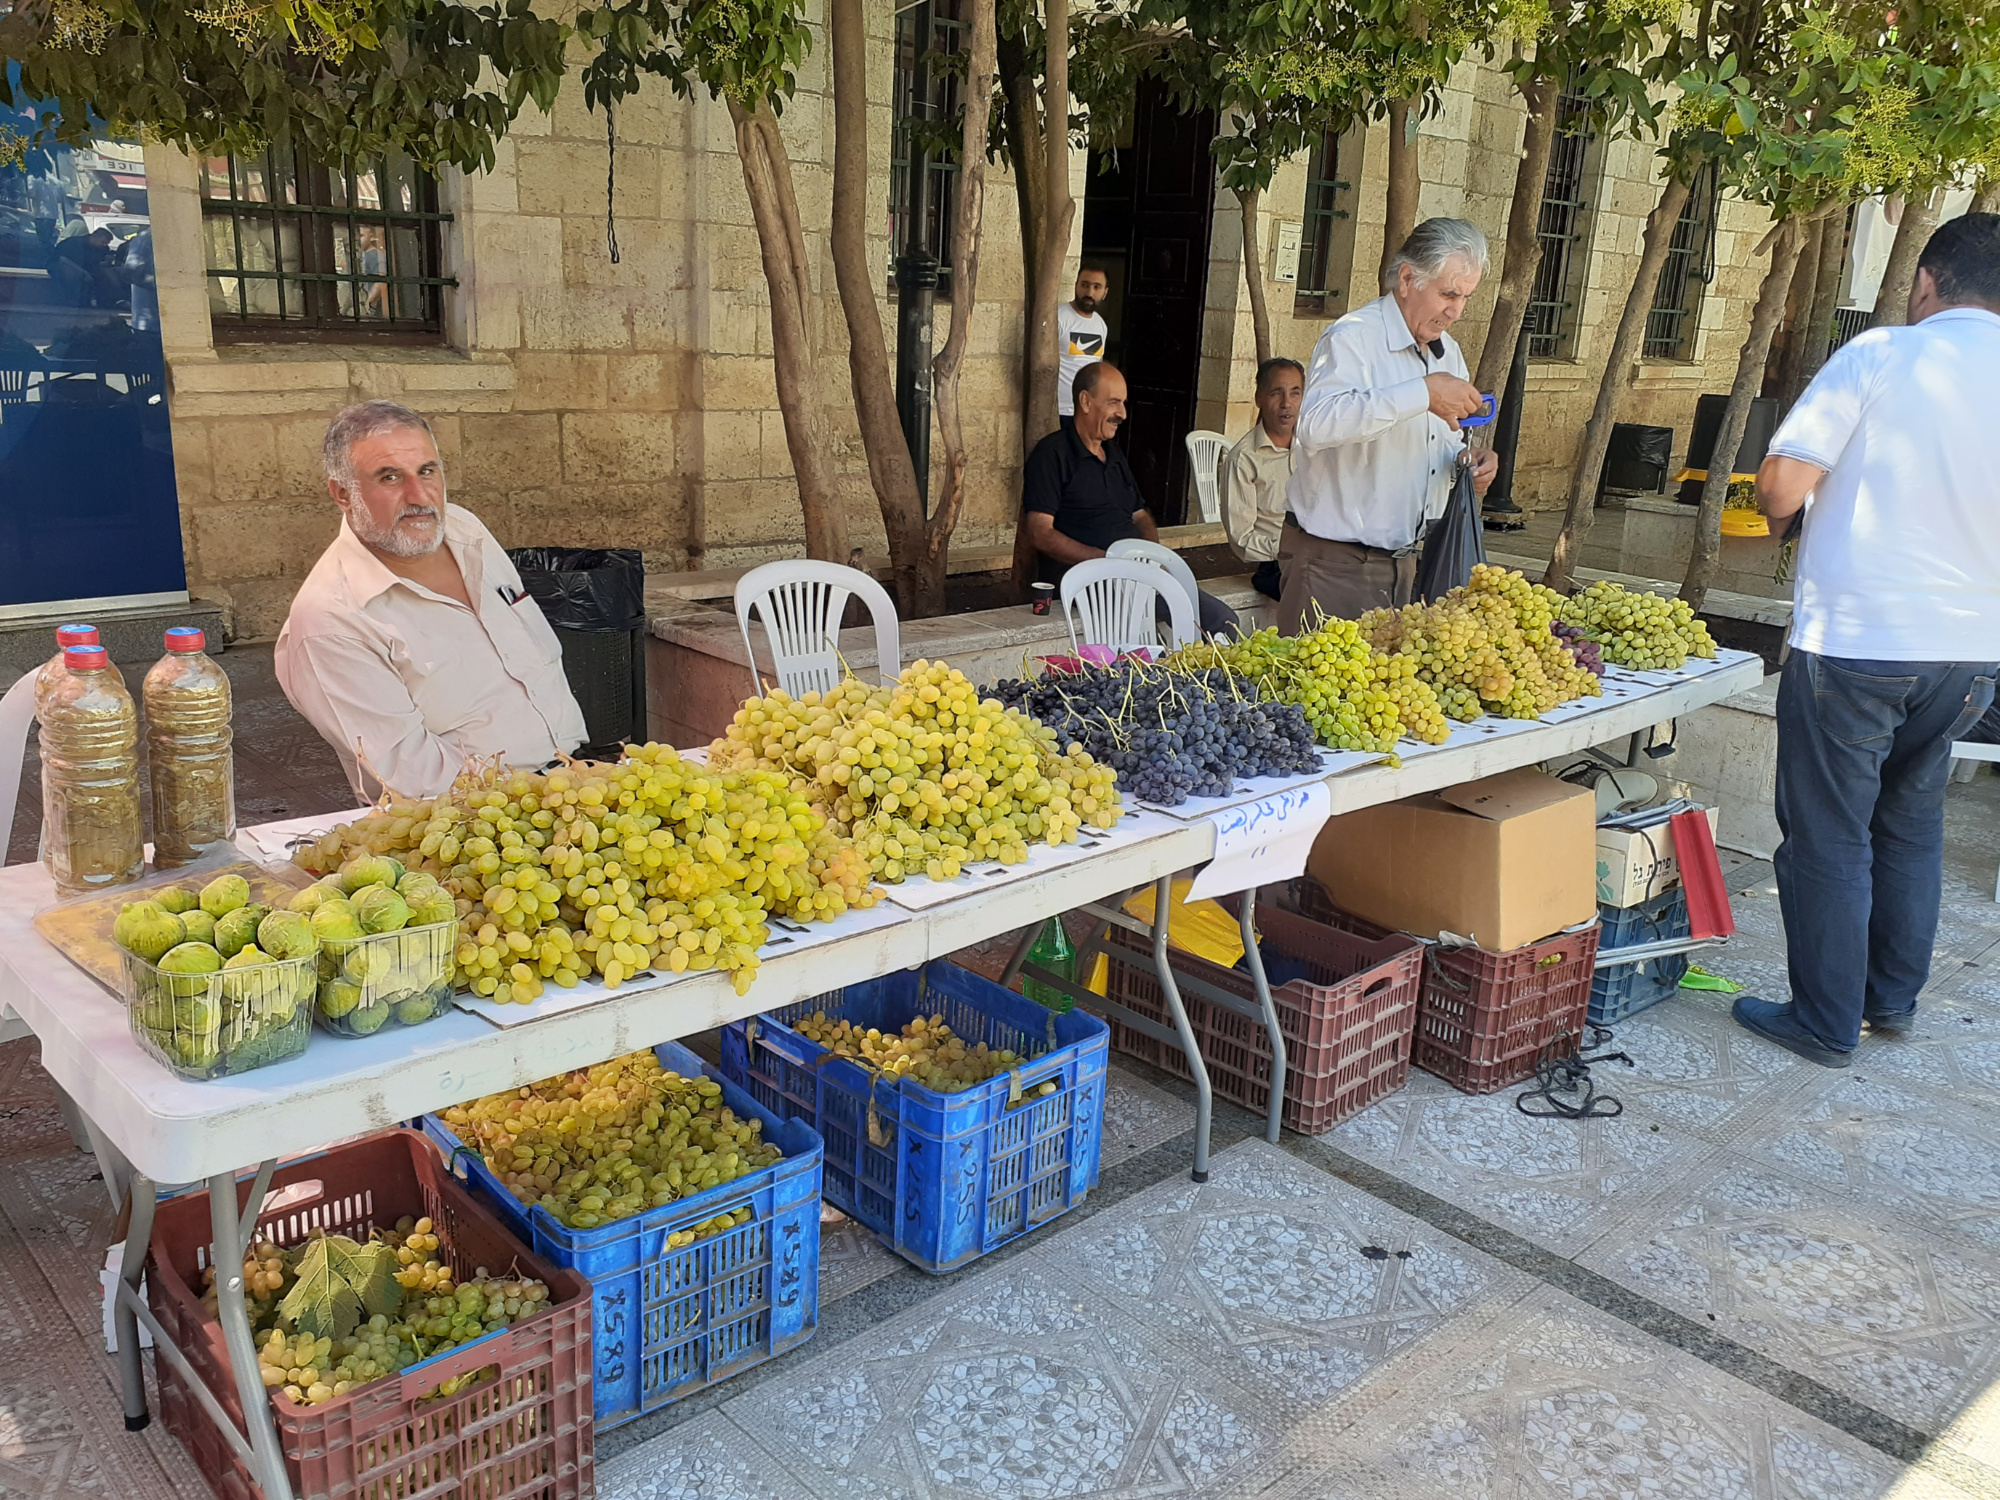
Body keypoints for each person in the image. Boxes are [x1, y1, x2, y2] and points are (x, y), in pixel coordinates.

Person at [1732, 212, 2000, 1069]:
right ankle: (1891, 1002)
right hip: (1969, 651)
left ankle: (1822, 1019)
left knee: (1828, 829)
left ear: (1927, 281)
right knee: (1912, 819)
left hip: (1858, 642)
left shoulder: (1881, 355)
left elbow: (1780, 489)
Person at [276, 400, 586, 801]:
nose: (419, 496)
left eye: (427, 471)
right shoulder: (331, 620)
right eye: (390, 477)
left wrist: (576, 781)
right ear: (342, 494)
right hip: (479, 825)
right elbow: (409, 774)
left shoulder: (463, 528)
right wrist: (543, 798)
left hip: (575, 782)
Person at [1278, 218, 1499, 632]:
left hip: (1411, 565)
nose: (1456, 310)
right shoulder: (1352, 338)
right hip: (1336, 565)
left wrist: (1468, 461)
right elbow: (1316, 426)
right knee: (1311, 693)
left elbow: (1436, 445)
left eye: (1466, 296)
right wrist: (1423, 393)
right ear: (1407, 278)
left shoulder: (1447, 352)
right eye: (1448, 293)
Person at [1023, 361, 1238, 638]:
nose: (1122, 413)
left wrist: (1152, 559)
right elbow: (1040, 533)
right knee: (1219, 622)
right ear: (1086, 401)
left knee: (1223, 623)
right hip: (1093, 583)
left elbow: (1141, 514)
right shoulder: (1052, 454)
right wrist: (1107, 560)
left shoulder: (1113, 455)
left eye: (1123, 403)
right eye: (1114, 403)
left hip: (1135, 575)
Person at [1223, 357, 1303, 600]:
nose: (1286, 403)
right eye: (1276, 393)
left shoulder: (1315, 446)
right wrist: (1290, 550)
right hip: (1275, 564)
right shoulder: (1244, 459)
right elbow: (1241, 538)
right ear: (1259, 398)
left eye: (1295, 393)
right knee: (1316, 596)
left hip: (1321, 555)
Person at [1056, 265, 1109, 433]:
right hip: (1059, 410)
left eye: (1096, 287)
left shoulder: (1101, 325)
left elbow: (1097, 367)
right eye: (1085, 285)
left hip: (1087, 411)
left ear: (1105, 292)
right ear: (1076, 285)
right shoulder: (1059, 317)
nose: (1090, 292)